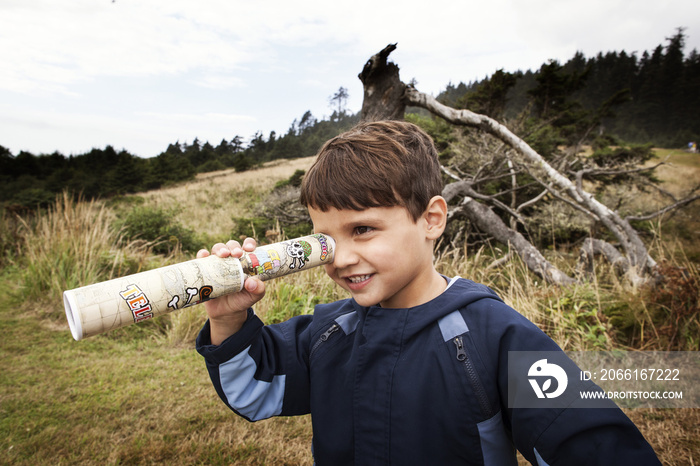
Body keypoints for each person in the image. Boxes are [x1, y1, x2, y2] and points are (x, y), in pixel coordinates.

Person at [196, 120, 660, 465]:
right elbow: (256, 390)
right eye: (326, 240)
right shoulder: (327, 331)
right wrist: (228, 317)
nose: (339, 259)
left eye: (363, 229)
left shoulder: (495, 334)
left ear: (431, 219)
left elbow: (588, 440)